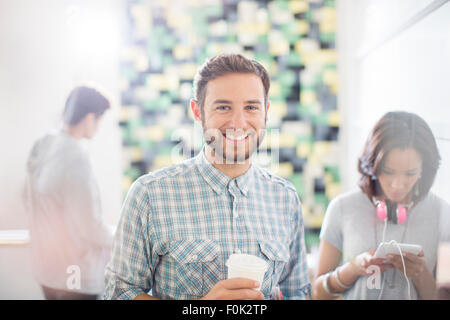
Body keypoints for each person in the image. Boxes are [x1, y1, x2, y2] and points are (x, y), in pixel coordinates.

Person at [103, 53, 311, 300]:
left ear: (265, 111)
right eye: (223, 107)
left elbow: (297, 292)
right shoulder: (150, 195)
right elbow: (117, 293)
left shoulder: (285, 198)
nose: (238, 122)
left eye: (251, 107)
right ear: (198, 111)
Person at [312, 111, 450, 300]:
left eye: (410, 174)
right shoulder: (342, 208)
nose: (397, 184)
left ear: (424, 169)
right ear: (373, 165)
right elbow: (317, 293)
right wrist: (352, 269)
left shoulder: (443, 213)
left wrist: (420, 274)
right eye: (388, 171)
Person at [24, 85, 114, 300]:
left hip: (46, 272)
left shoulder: (43, 144)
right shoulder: (76, 157)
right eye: (100, 120)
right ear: (90, 118)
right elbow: (90, 227)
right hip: (75, 278)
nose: (99, 127)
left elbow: (28, 200)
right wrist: (125, 239)